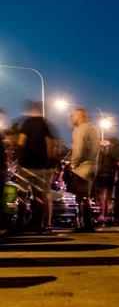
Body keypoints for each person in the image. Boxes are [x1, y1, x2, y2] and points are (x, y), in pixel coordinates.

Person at [14, 100, 58, 233]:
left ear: (32, 110)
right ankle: (38, 225)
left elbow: (21, 141)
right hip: (40, 166)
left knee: (22, 194)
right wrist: (49, 160)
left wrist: (17, 158)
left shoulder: (27, 123)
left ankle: (20, 223)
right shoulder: (45, 124)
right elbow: (50, 144)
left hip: (26, 165)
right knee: (39, 196)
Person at [69, 108, 100, 233]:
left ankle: (87, 224)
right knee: (86, 196)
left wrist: (73, 164)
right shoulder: (93, 129)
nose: (72, 119)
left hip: (82, 168)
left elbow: (78, 149)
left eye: (73, 116)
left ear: (80, 116)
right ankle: (88, 223)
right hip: (93, 165)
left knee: (82, 197)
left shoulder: (79, 130)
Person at [95, 140, 117, 226]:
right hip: (99, 180)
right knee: (100, 199)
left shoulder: (111, 158)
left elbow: (115, 170)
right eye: (102, 147)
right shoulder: (98, 157)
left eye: (105, 147)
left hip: (107, 180)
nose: (104, 149)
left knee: (105, 199)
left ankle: (104, 216)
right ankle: (101, 215)